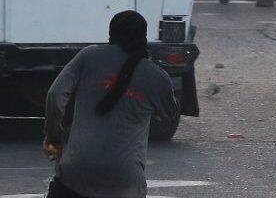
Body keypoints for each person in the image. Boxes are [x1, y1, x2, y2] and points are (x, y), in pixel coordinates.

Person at [44, 11, 178, 198]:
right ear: (143, 37)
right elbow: (169, 114)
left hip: (76, 171)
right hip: (124, 179)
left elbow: (55, 95)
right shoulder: (156, 76)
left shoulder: (88, 56)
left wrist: (53, 137)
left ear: (111, 33)